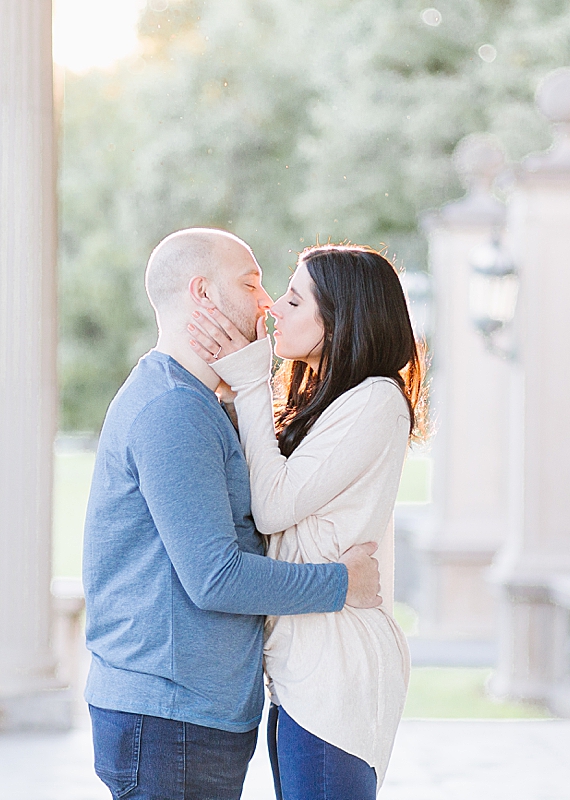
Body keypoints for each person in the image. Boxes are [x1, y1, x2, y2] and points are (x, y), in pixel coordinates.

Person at [83, 229, 384, 800]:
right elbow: (216, 577)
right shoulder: (174, 411)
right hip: (171, 718)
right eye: (250, 284)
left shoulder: (202, 404)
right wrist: (342, 583)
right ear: (203, 294)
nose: (267, 302)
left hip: (191, 714)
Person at [187, 244, 426, 800]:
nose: (273, 311)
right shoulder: (326, 399)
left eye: (294, 300)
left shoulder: (376, 399)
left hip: (335, 669)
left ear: (338, 319)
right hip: (300, 666)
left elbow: (273, 506)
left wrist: (249, 381)